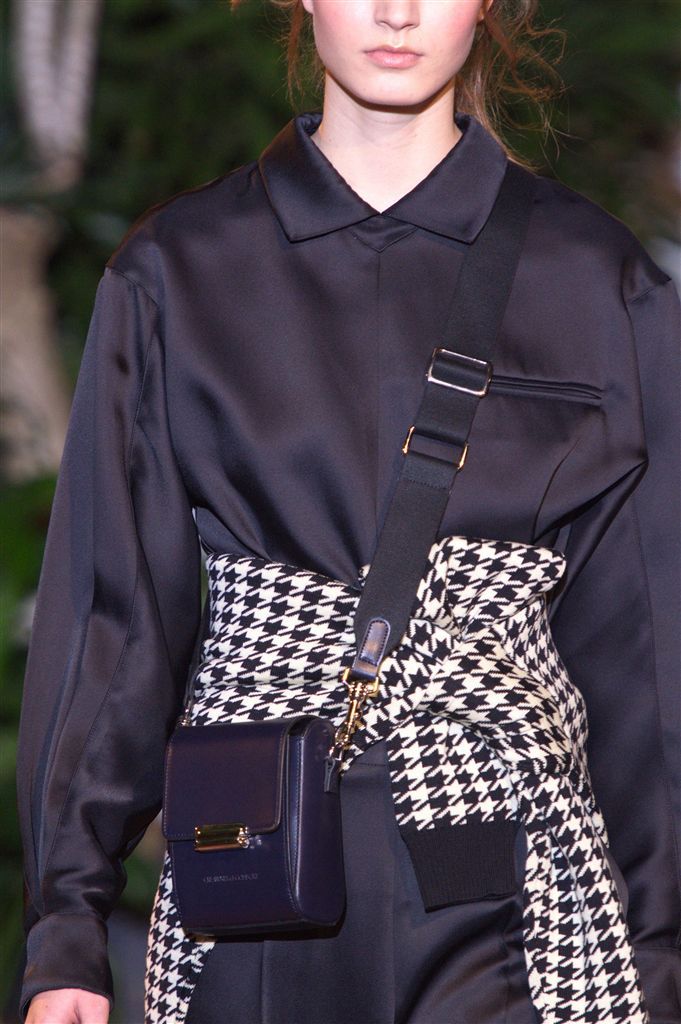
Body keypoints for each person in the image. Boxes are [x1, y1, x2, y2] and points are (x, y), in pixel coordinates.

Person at [16, 0, 681, 1022]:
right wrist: (66, 930)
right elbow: (117, 616)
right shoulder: (180, 270)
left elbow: (644, 651)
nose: (397, 12)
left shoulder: (595, 280)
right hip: (256, 877)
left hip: (512, 889)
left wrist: (659, 955)